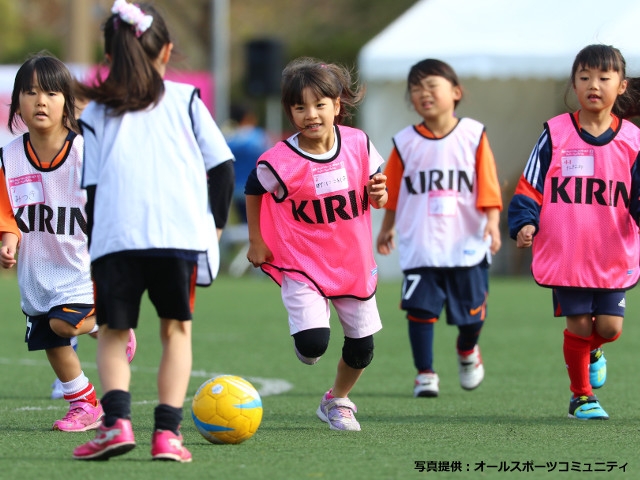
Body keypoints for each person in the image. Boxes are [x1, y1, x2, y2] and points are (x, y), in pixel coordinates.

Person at [72, 0, 234, 462]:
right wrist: (215, 229)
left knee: (112, 333)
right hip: (178, 237)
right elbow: (222, 166)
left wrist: (95, 245)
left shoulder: (97, 114)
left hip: (117, 238)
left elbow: (94, 189)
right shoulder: (185, 100)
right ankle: (167, 435)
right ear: (166, 52)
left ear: (110, 57)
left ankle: (117, 424)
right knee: (176, 331)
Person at [245, 56, 388, 431]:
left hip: (352, 263)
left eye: (320, 104)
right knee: (312, 345)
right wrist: (256, 241)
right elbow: (253, 187)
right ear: (290, 112)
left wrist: (380, 193)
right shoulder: (280, 160)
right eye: (299, 106)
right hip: (302, 263)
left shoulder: (359, 143)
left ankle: (337, 401)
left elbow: (378, 193)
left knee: (362, 350)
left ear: (337, 105)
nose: (311, 114)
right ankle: (308, 336)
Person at [0, 53, 136, 431]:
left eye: (51, 93)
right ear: (17, 103)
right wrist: (8, 240)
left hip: (85, 268)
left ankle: (110, 324)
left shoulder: (85, 152)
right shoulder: (9, 157)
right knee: (50, 340)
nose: (40, 101)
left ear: (68, 103)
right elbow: (6, 214)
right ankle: (84, 403)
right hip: (37, 272)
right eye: (30, 93)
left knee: (63, 326)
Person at [508, 44, 640, 420]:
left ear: (621, 85)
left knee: (610, 329)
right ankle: (580, 397)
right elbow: (530, 186)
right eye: (584, 78)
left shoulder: (633, 140)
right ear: (574, 84)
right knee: (580, 324)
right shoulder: (555, 133)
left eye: (603, 77)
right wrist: (524, 222)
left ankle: (593, 351)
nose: (593, 85)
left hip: (613, 251)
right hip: (568, 251)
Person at [376, 59, 503, 398]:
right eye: (415, 88)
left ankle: (467, 352)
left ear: (456, 92)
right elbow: (392, 191)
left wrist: (492, 220)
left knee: (472, 318)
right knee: (420, 311)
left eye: (432, 85)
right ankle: (425, 373)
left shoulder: (474, 134)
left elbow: (488, 183)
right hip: (421, 243)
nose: (423, 93)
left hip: (466, 243)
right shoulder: (404, 142)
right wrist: (387, 228)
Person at [225, 102, 271, 223]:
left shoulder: (229, 138)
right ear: (249, 117)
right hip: (258, 188)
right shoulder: (260, 136)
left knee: (243, 222)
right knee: (257, 224)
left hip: (236, 189)